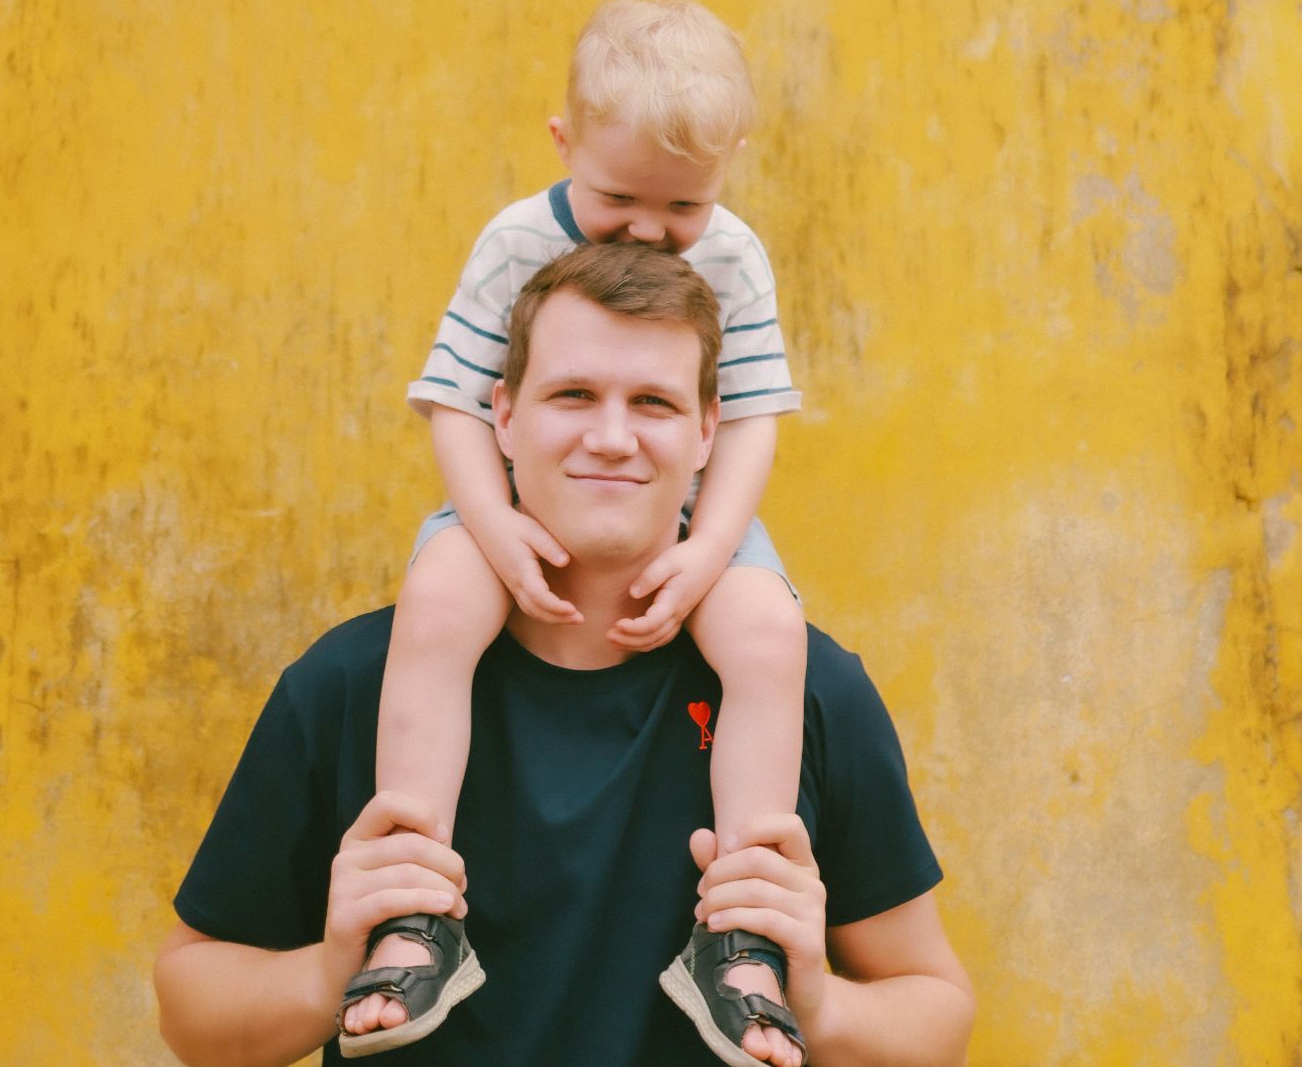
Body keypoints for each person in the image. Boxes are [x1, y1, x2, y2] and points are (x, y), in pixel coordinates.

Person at [154, 244, 974, 1067]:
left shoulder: (805, 686)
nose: (612, 437)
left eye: (652, 402)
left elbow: (938, 1019)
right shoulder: (350, 683)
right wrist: (333, 970)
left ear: (706, 432)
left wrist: (819, 1004)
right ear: (504, 418)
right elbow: (193, 1015)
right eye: (573, 394)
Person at [370, 0, 809, 1055]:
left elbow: (747, 419)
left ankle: (742, 935)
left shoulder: (737, 257)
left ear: (729, 169)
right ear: (564, 144)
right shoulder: (517, 240)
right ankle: (410, 908)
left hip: (694, 518)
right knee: (435, 604)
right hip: (510, 503)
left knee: (767, 636)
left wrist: (711, 550)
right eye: (618, 197)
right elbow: (458, 401)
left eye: (683, 207)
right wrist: (493, 525)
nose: (650, 231)